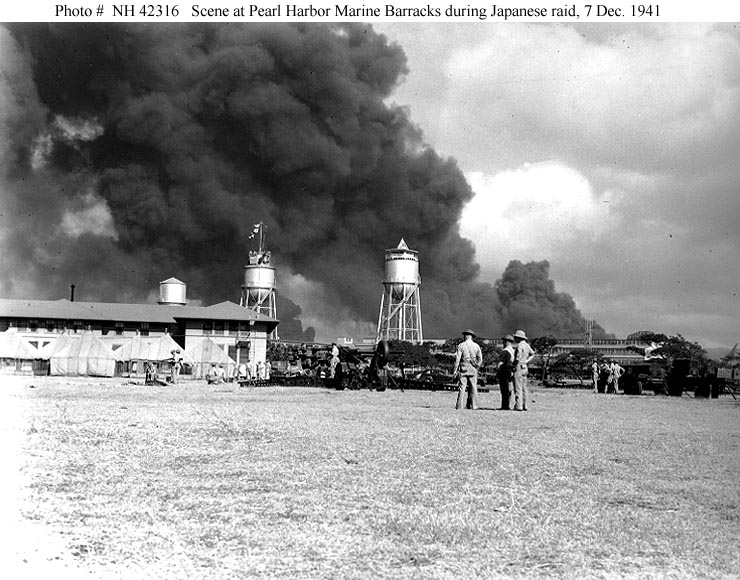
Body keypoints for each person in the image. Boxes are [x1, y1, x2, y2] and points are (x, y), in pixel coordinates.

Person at [453, 329, 483, 410]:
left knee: (462, 388)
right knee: (473, 387)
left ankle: (459, 406)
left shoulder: (461, 345)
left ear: (466, 336)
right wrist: (477, 366)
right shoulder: (476, 346)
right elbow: (480, 359)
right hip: (473, 368)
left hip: (464, 368)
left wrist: (455, 370)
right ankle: (474, 405)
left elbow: (457, 359)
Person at [513, 329, 535, 411]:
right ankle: (525, 405)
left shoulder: (519, 346)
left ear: (519, 338)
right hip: (525, 366)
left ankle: (518, 405)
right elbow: (532, 354)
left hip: (519, 366)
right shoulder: (527, 345)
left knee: (518, 387)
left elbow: (517, 358)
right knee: (524, 387)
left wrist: (514, 364)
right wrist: (526, 361)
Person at [497, 335, 516, 410]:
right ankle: (508, 404)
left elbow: (501, 362)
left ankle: (504, 405)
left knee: (504, 389)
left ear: (506, 342)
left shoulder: (505, 351)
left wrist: (498, 370)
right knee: (509, 389)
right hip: (511, 370)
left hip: (504, 371)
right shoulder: (513, 351)